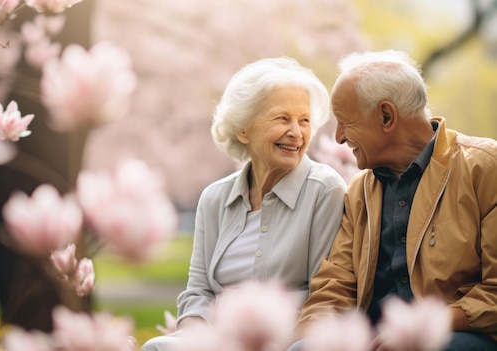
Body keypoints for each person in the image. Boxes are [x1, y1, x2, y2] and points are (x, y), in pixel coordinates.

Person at [292, 49, 497, 351]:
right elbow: (334, 286)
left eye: (345, 122)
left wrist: (415, 332)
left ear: (386, 116)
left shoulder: (485, 167)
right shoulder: (359, 190)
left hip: (454, 337)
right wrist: (316, 337)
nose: (338, 138)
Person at [141, 57, 346, 350]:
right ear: (243, 130)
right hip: (218, 342)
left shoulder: (325, 190)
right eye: (282, 118)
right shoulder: (215, 198)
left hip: (288, 341)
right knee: (157, 348)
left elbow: (323, 295)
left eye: (304, 121)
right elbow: (199, 291)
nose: (297, 132)